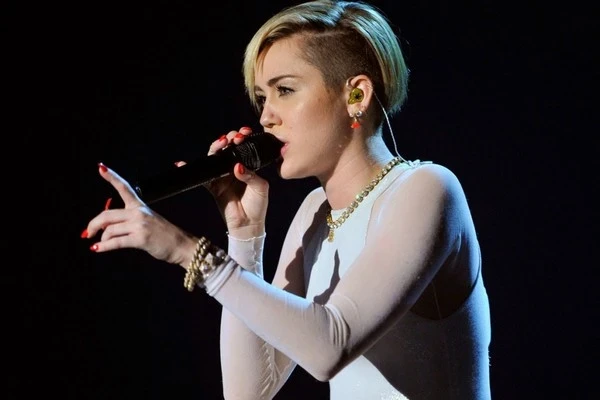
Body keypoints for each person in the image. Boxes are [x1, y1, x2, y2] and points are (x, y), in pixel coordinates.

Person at [82, 0, 492, 398]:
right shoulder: (314, 212)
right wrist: (244, 235)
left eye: (285, 90)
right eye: (263, 97)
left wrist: (188, 252)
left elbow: (331, 345)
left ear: (356, 95)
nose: (266, 117)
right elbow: (248, 392)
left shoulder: (427, 188)